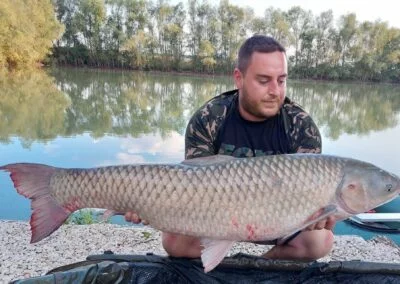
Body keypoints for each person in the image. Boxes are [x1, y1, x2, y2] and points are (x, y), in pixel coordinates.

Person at [125, 35, 335, 262]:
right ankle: (219, 266)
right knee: (174, 242)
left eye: (281, 80)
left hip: (280, 220)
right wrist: (146, 204)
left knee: (320, 241)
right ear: (239, 78)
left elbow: (310, 198)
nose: (275, 91)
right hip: (214, 217)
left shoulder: (301, 126)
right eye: (264, 81)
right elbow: (189, 191)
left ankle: (261, 267)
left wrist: (321, 214)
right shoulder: (209, 118)